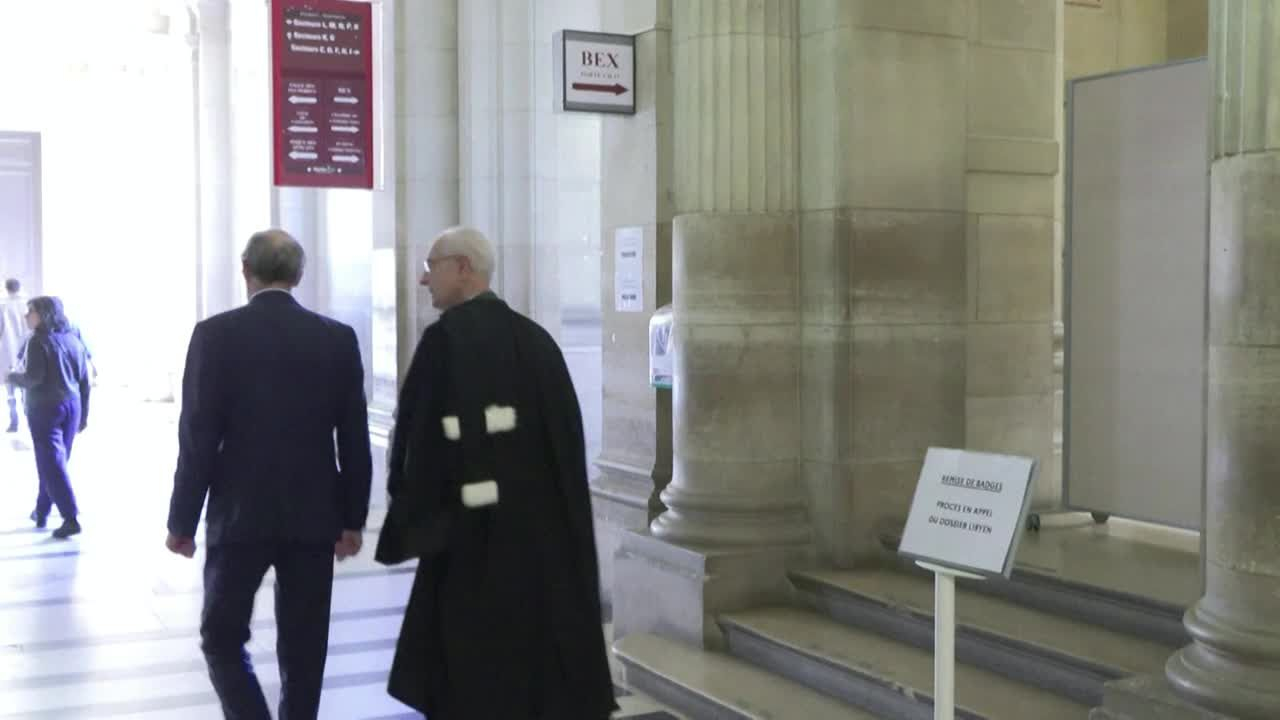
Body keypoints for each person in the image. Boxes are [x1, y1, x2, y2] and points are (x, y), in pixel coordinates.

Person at [375, 226, 616, 720]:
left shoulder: (444, 342)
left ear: (463, 268)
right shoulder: (537, 342)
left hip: (467, 543)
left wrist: (412, 518)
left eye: (431, 267)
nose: (424, 280)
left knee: (467, 671)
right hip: (538, 546)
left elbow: (418, 444)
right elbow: (567, 449)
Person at [165, 229, 372, 720]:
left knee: (221, 637)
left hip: (239, 515)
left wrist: (182, 522)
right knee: (305, 647)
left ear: (246, 270)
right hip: (314, 516)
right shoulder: (336, 338)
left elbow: (197, 437)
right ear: (299, 275)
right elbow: (354, 439)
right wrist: (352, 519)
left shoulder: (214, 336)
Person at [6, 296, 91, 539]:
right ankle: (42, 510)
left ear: (43, 314)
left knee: (52, 463)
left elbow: (33, 378)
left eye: (30, 311)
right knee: (54, 462)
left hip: (45, 409)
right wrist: (84, 414)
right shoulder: (73, 338)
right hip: (72, 406)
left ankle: (70, 517)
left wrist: (12, 377)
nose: (26, 316)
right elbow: (85, 381)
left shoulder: (37, 341)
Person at [0, 278, 29, 432]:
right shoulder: (28, 305)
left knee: (10, 390)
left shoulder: (3, 306)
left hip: (8, 352)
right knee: (26, 389)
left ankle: (14, 422)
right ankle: (29, 420)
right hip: (27, 352)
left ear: (6, 288)